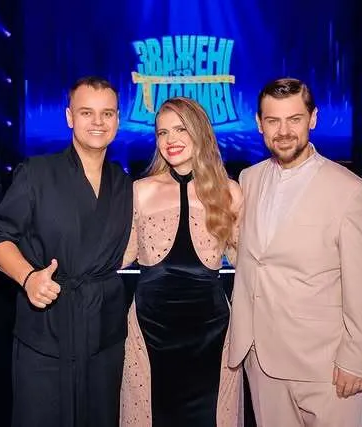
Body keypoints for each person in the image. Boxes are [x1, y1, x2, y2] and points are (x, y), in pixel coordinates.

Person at [228, 78, 362, 427]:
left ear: (313, 118)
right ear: (259, 123)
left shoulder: (349, 190)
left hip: (324, 364)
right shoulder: (249, 179)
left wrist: (356, 359)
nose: (284, 132)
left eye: (294, 119)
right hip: (260, 358)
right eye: (273, 121)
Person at [0, 76, 133, 427]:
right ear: (69, 117)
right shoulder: (36, 173)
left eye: (107, 113)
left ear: (117, 119)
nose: (98, 122)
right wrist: (28, 278)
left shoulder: (124, 183)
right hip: (47, 330)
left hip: (105, 335)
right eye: (87, 112)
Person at [120, 97, 244, 426]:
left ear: (199, 131)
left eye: (180, 129)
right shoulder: (140, 190)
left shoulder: (229, 192)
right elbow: (121, 255)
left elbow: (248, 262)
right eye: (162, 132)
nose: (170, 139)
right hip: (151, 330)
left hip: (211, 332)